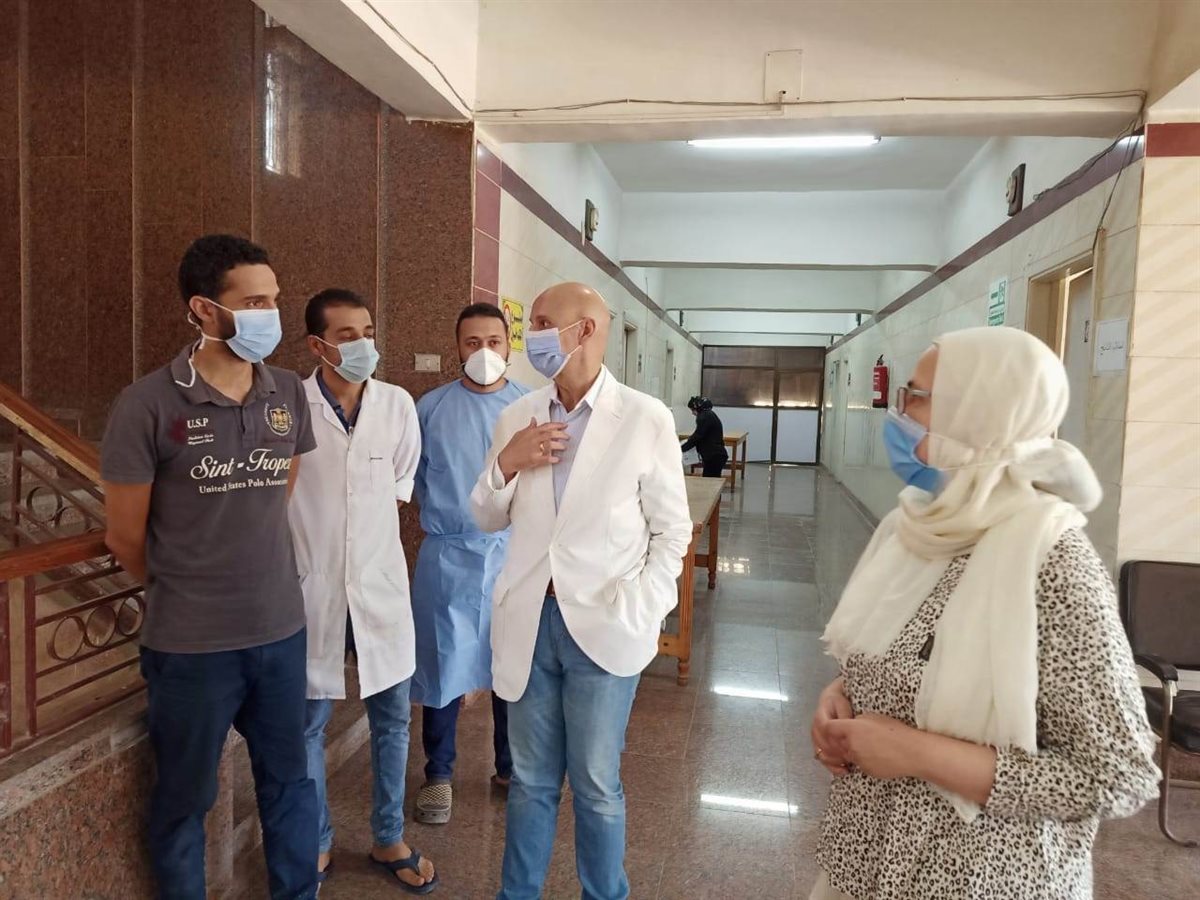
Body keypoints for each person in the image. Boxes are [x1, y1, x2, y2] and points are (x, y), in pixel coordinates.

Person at [808, 326, 1159, 900]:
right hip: (864, 859)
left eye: (918, 397)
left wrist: (917, 754)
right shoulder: (915, 528)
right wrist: (841, 695)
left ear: (979, 414)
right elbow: (905, 659)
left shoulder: (1051, 559)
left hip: (978, 878)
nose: (900, 414)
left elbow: (1117, 775)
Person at [101, 234, 319, 900]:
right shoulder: (147, 405)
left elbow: (279, 490)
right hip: (191, 647)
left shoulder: (288, 392)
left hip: (280, 632)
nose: (270, 315)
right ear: (203, 308)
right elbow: (125, 535)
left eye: (273, 300)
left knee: (290, 784)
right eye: (253, 303)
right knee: (184, 801)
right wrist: (191, 585)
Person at [471, 282, 693, 900]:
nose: (531, 336)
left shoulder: (644, 418)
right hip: (530, 621)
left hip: (602, 622)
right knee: (530, 781)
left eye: (543, 322)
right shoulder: (517, 416)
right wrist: (508, 462)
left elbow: (672, 532)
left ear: (584, 330)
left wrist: (640, 608)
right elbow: (485, 515)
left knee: (596, 783)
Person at [287, 289, 438, 894]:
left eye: (368, 331)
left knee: (393, 719)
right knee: (308, 723)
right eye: (347, 335)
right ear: (317, 345)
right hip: (311, 585)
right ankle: (317, 840)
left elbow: (398, 486)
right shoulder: (289, 406)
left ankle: (388, 837)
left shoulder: (397, 404)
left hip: (379, 585)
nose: (363, 344)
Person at [410, 302, 529, 825]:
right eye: (472, 343)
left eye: (493, 342)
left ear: (509, 345)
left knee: (510, 665)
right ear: (457, 347)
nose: (484, 352)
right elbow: (416, 479)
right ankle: (438, 774)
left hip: (513, 553)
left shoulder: (530, 406)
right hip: (448, 554)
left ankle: (510, 768)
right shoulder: (431, 408)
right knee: (442, 667)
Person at [681, 395, 727, 478]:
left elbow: (697, 436)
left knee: (710, 482)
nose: (692, 413)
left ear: (697, 408)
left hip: (714, 456)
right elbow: (698, 434)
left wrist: (681, 448)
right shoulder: (709, 414)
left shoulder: (704, 417)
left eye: (692, 410)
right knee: (711, 480)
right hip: (716, 455)